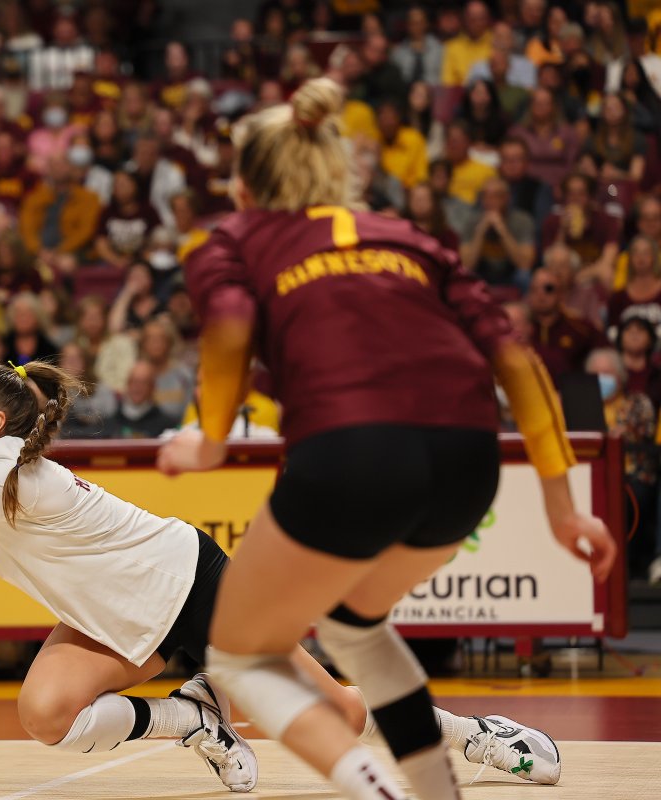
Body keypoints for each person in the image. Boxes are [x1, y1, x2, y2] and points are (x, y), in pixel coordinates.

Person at [0, 358, 566, 793]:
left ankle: (476, 736)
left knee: (333, 708)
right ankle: (189, 717)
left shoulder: (5, 475)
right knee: (43, 715)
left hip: (191, 586)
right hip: (111, 622)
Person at [157, 78, 615, 800]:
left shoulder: (236, 239)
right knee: (353, 625)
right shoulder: (410, 237)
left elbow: (231, 330)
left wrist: (208, 442)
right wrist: (562, 504)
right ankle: (438, 791)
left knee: (241, 655)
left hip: (354, 451)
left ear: (243, 188)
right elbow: (516, 359)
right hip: (469, 461)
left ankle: (381, 790)